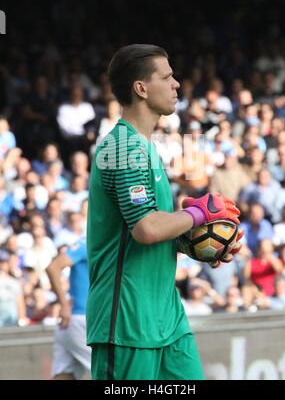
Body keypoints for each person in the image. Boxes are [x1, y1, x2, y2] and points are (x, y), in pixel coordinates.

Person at [86, 44, 241, 381]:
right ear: (140, 89)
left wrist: (202, 241)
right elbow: (146, 229)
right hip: (127, 320)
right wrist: (201, 215)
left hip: (167, 318)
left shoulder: (144, 146)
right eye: (167, 77)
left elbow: (154, 230)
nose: (177, 84)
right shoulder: (123, 147)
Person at [46, 236, 91, 380]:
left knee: (64, 375)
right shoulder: (87, 242)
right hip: (81, 320)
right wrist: (64, 305)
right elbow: (53, 267)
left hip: (71, 321)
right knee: (110, 373)